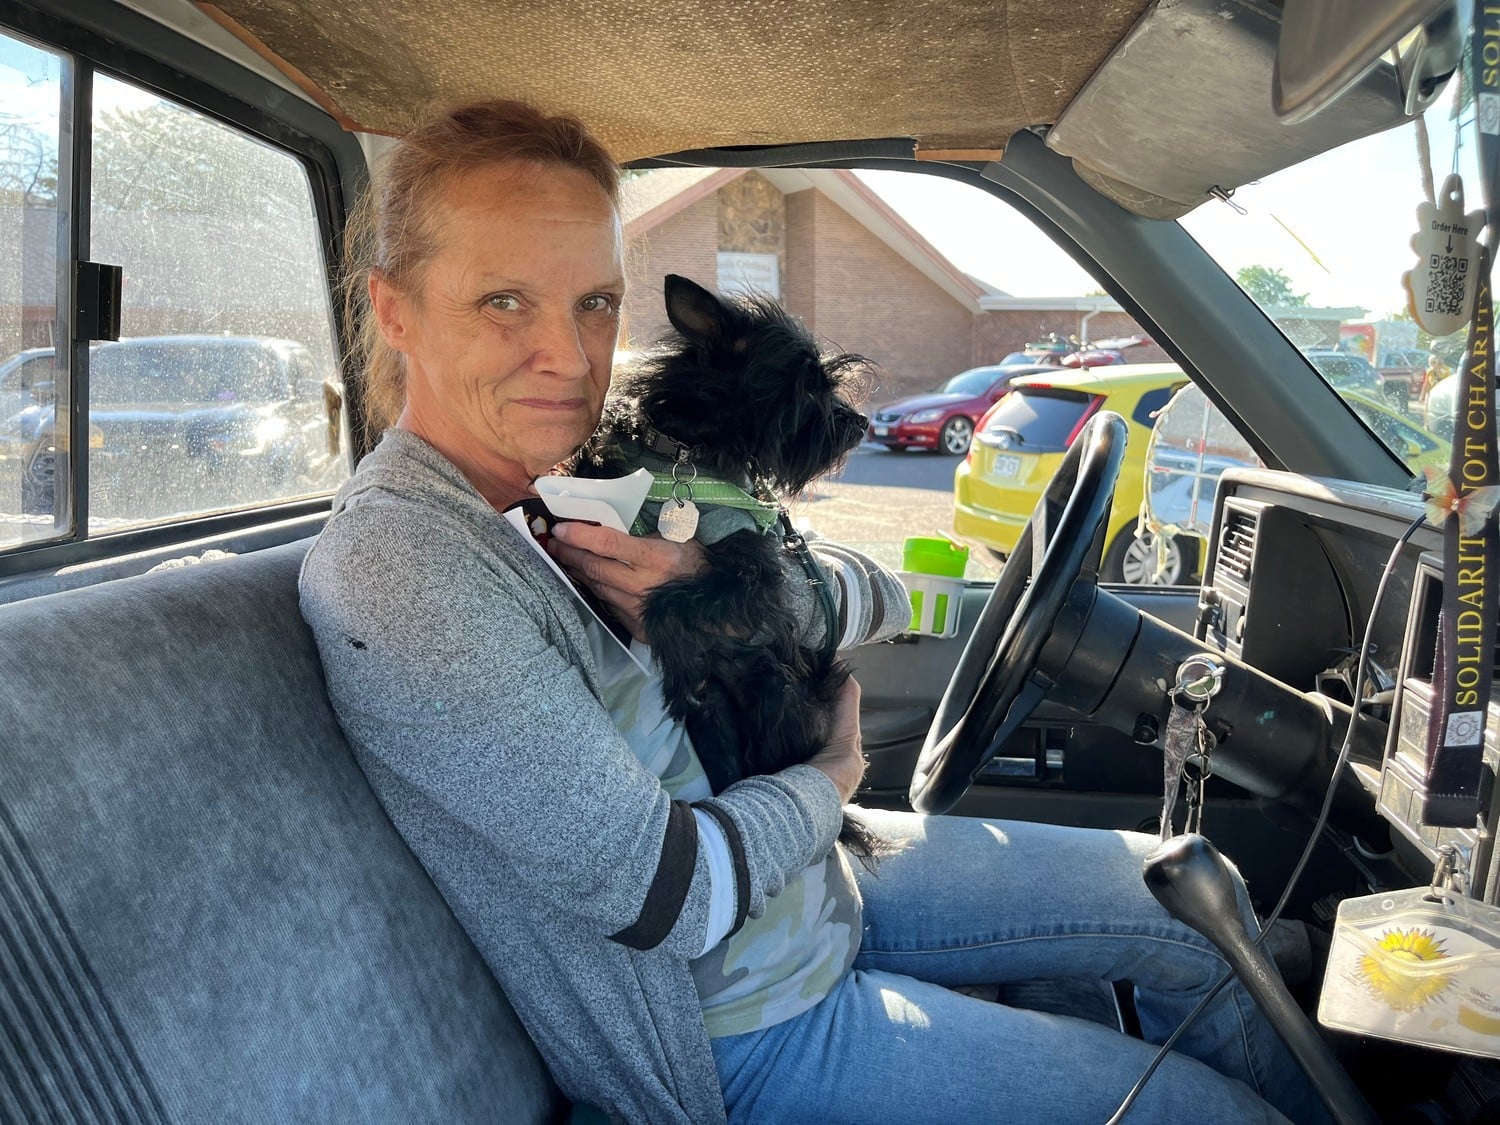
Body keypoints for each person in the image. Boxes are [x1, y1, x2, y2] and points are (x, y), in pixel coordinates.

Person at [298, 100, 1328, 1124]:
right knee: (1211, 1115)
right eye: (505, 302)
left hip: (813, 888)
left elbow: (798, 582)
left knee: (1192, 905)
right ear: (396, 311)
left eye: (597, 302)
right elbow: (669, 898)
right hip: (735, 1026)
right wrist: (830, 777)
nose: (571, 357)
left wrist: (741, 596)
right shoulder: (404, 565)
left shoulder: (570, 473)